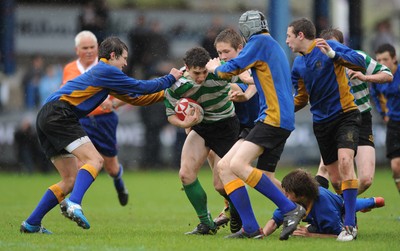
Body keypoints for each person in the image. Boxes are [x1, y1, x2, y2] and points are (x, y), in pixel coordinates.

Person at [20, 36, 182, 234]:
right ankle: (74, 204)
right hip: (60, 114)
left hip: (47, 115)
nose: (126, 63)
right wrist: (170, 77)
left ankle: (32, 223)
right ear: (112, 56)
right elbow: (141, 86)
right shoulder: (106, 70)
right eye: (124, 58)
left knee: (70, 179)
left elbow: (136, 98)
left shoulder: (106, 76)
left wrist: (165, 94)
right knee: (95, 160)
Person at [206, 10, 306, 240]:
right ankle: (251, 228)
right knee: (226, 168)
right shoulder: (268, 43)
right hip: (277, 118)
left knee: (238, 165)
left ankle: (291, 209)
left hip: (273, 117)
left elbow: (230, 69)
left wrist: (214, 67)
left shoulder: (259, 41)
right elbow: (255, 75)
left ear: (246, 29)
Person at [286, 18, 366, 241]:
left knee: (345, 162)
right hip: (321, 123)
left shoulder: (327, 46)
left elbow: (359, 62)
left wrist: (334, 55)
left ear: (301, 35)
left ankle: (349, 226)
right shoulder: (298, 64)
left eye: (289, 35)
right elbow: (301, 98)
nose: (287, 41)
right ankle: (348, 220)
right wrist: (281, 111)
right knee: (336, 180)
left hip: (345, 115)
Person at [210, 28, 283, 234]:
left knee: (254, 174)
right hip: (242, 128)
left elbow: (253, 84)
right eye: (220, 53)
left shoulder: (248, 64)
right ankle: (237, 214)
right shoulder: (229, 67)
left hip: (262, 126)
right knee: (220, 178)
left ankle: (296, 205)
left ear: (240, 49)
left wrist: (244, 93)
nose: (223, 57)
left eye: (227, 52)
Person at [164, 47, 240, 235]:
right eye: (196, 73)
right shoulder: (176, 83)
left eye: (204, 72)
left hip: (226, 126)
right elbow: (171, 115)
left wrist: (246, 88)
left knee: (221, 185)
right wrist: (185, 123)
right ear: (186, 68)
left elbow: (247, 76)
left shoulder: (220, 70)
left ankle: (237, 212)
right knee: (185, 174)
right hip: (201, 127)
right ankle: (207, 223)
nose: (201, 77)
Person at [315, 28, 393, 194]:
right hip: (337, 119)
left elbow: (387, 74)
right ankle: (327, 212)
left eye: (335, 45)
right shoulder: (320, 64)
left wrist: (365, 77)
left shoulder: (358, 57)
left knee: (365, 180)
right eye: (327, 45)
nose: (331, 48)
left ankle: (346, 206)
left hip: (362, 118)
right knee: (329, 175)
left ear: (343, 45)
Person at [62, 30, 129, 206]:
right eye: (85, 48)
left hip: (104, 120)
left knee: (111, 168)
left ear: (98, 48)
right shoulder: (69, 69)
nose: (89, 51)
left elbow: (129, 94)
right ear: (77, 50)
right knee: (79, 164)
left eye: (92, 47)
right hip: (81, 120)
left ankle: (119, 183)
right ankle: (74, 203)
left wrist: (113, 104)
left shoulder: (109, 66)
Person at [263, 169, 385, 238]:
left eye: (288, 194)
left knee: (352, 205)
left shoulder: (324, 207)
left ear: (302, 195)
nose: (284, 197)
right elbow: (274, 221)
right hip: (328, 209)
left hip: (341, 209)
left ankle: (372, 201)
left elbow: (340, 234)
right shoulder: (291, 202)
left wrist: (310, 234)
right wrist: (262, 234)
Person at [370, 43, 400, 217]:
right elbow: (375, 96)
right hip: (394, 123)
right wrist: (383, 114)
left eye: (385, 59)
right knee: (396, 167)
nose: (382, 62)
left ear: (394, 59)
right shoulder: (377, 77)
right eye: (378, 59)